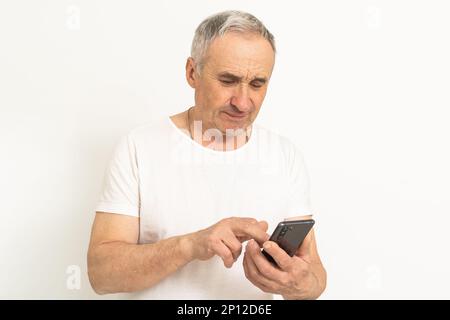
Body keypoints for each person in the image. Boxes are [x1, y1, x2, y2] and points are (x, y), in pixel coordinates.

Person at [87, 10, 326, 299]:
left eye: (257, 84)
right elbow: (101, 275)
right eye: (227, 80)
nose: (242, 102)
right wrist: (190, 246)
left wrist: (297, 284)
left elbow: (315, 277)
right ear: (192, 73)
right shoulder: (139, 147)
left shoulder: (285, 156)